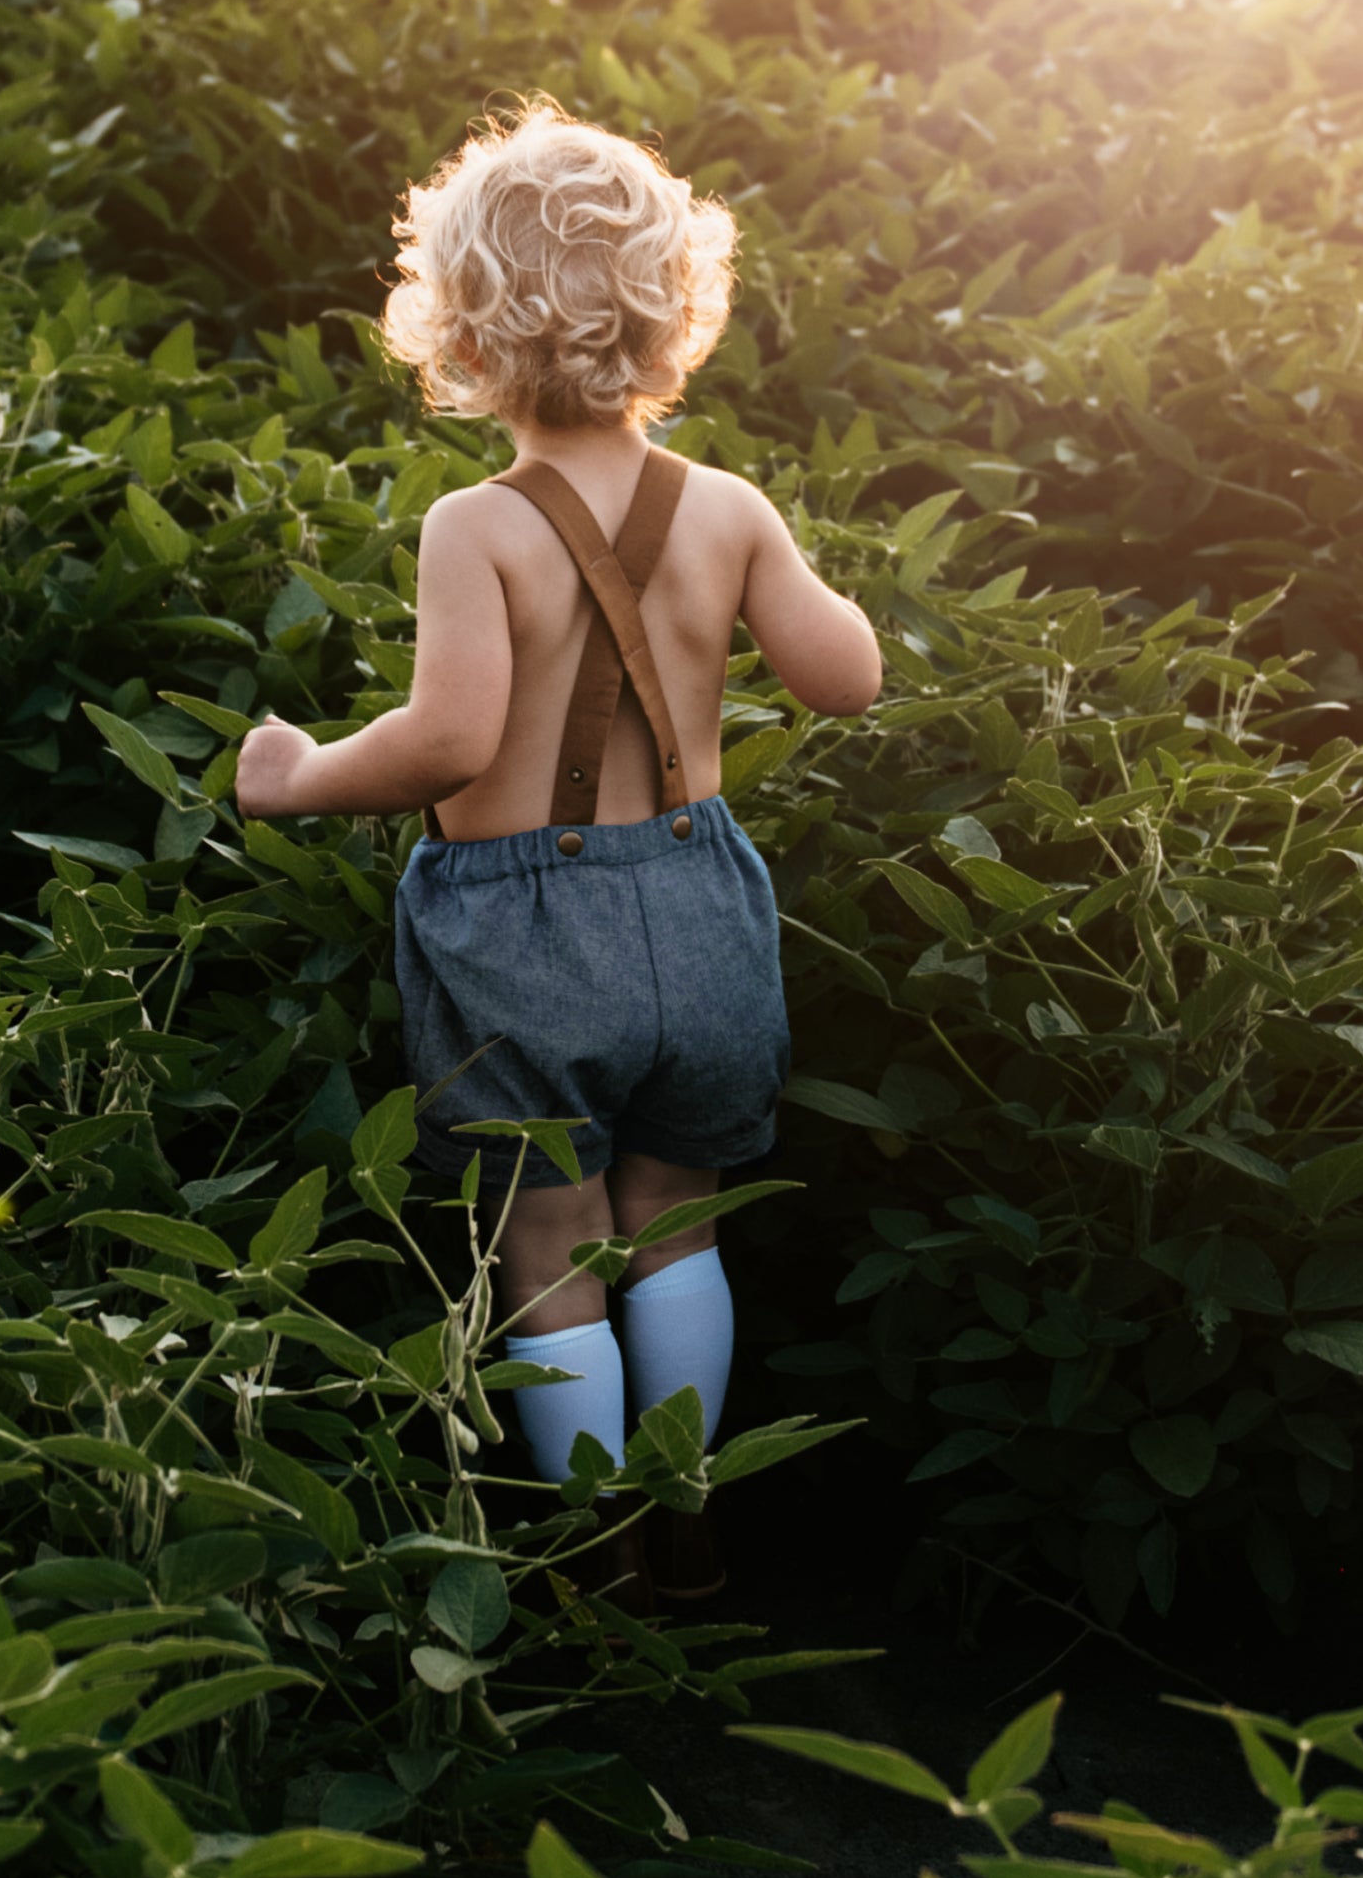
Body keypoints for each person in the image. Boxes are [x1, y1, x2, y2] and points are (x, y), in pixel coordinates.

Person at [234, 102, 881, 1592]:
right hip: (705, 910)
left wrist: (301, 774)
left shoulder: (480, 527)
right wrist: (800, 576)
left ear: (460, 327)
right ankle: (688, 1513)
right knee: (676, 1223)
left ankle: (590, 1552)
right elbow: (844, 678)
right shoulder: (728, 510)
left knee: (553, 1237)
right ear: (676, 312)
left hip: (529, 942)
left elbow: (452, 742)